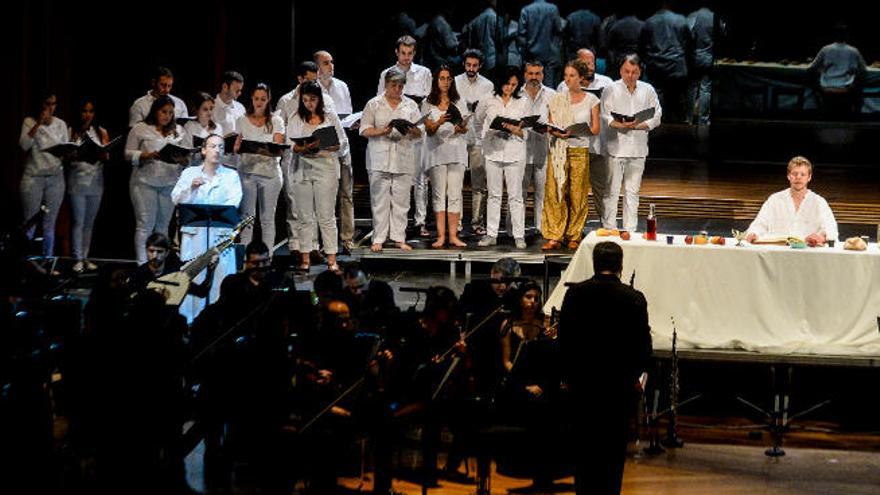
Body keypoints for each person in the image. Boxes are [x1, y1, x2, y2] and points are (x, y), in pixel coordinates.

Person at [558, 241, 652, 495]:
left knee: (584, 451)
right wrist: (637, 377)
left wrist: (566, 377)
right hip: (618, 388)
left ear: (594, 263)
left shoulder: (576, 294)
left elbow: (564, 340)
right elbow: (643, 345)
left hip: (583, 385)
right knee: (612, 454)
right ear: (621, 265)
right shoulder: (634, 298)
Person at [171, 133, 243, 323]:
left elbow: (233, 202)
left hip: (220, 236)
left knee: (221, 278)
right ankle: (189, 321)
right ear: (203, 150)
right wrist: (191, 190)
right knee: (193, 278)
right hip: (195, 236)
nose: (217, 150)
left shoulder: (231, 176)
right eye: (212, 146)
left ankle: (222, 322)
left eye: (220, 147)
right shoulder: (189, 173)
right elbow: (176, 199)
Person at [360, 67, 423, 253]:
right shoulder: (374, 104)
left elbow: (420, 132)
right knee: (380, 200)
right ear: (386, 84)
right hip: (379, 157)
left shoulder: (410, 105)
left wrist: (412, 130)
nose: (397, 89)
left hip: (403, 157)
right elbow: (364, 129)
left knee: (401, 201)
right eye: (393, 85)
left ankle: (398, 238)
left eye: (400, 85)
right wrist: (383, 131)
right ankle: (378, 237)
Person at [288, 81, 348, 272]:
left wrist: (321, 144)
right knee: (305, 216)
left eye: (313, 99)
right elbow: (293, 145)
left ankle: (331, 259)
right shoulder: (296, 117)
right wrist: (305, 147)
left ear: (320, 99)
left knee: (326, 216)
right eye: (305, 100)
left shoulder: (329, 117)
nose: (309, 104)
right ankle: (305, 258)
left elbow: (340, 143)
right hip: (303, 167)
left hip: (326, 167)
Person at [376, 35, 432, 237]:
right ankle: (395, 223)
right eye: (403, 53)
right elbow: (378, 102)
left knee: (419, 179)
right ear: (396, 52)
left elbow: (429, 103)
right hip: (392, 134)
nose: (406, 57)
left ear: (414, 53)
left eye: (410, 54)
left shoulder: (424, 73)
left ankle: (420, 221)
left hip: (414, 131)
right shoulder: (387, 73)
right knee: (394, 178)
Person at [542, 59, 601, 251]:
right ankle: (555, 235)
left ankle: (574, 234)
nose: (568, 79)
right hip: (559, 149)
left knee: (577, 194)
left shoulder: (592, 100)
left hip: (579, 150)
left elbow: (595, 129)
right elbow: (551, 123)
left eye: (572, 75)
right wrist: (556, 131)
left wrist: (574, 131)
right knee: (556, 191)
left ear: (581, 78)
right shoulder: (558, 98)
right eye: (566, 75)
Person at [600, 54, 662, 232]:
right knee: (611, 192)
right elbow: (604, 115)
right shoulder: (610, 89)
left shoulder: (647, 89)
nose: (630, 75)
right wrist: (620, 124)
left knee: (632, 192)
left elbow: (657, 116)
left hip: (638, 148)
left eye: (634, 72)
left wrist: (638, 125)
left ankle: (630, 230)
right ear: (621, 70)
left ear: (639, 72)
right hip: (615, 149)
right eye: (627, 71)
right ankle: (609, 228)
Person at [125, 96, 189, 264]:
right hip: (144, 182)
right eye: (163, 112)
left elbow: (186, 157)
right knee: (145, 224)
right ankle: (142, 265)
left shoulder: (179, 131)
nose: (167, 116)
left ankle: (159, 265)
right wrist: (147, 155)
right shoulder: (140, 128)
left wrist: (183, 159)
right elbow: (127, 153)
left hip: (169, 182)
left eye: (170, 113)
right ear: (155, 111)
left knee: (163, 226)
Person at [555, 49, 614, 224]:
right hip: (572, 146)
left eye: (592, 62)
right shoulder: (563, 85)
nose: (590, 66)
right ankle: (569, 228)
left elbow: (611, 113)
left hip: (598, 147)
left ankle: (608, 225)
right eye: (585, 63)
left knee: (601, 189)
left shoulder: (607, 83)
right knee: (571, 190)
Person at [477, 66, 529, 249]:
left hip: (515, 152)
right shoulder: (488, 99)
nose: (510, 88)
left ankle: (519, 235)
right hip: (493, 151)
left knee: (515, 196)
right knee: (494, 195)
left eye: (514, 85)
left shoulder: (523, 101)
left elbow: (527, 130)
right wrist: (485, 137)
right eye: (507, 84)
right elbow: (478, 121)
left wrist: (516, 129)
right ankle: (491, 234)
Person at [235, 83, 285, 253]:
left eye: (263, 99)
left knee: (267, 219)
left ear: (268, 100)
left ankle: (267, 257)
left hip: (269, 174)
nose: (259, 102)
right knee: (247, 219)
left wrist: (265, 150)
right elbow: (236, 146)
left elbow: (278, 148)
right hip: (247, 173)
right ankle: (245, 259)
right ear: (252, 98)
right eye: (256, 98)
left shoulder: (276, 120)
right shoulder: (242, 120)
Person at [314, 50, 356, 251]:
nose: (331, 66)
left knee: (347, 193)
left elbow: (346, 116)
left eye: (332, 62)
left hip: (343, 144)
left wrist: (352, 123)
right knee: (326, 196)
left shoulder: (341, 86)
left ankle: (348, 237)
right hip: (324, 147)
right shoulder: (313, 89)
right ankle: (325, 241)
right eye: (326, 63)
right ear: (317, 67)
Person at [422, 66, 469, 248]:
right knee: (439, 194)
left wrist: (461, 127)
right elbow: (429, 129)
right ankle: (441, 236)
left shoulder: (459, 101)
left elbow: (465, 127)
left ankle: (453, 236)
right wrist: (440, 121)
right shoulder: (428, 103)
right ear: (436, 80)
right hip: (437, 152)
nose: (445, 82)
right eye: (442, 78)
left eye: (448, 79)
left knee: (455, 194)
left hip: (456, 151)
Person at [745, 156, 838, 247]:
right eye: (794, 174)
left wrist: (820, 237)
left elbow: (831, 229)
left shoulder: (819, 202)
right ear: (788, 176)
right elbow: (759, 224)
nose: (798, 177)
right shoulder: (774, 200)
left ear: (809, 177)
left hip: (808, 254)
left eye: (803, 174)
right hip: (777, 253)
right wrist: (753, 233)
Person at [19, 92, 67, 258]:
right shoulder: (29, 121)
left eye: (53, 103)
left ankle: (48, 262)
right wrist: (39, 123)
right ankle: (23, 262)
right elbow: (24, 145)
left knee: (50, 223)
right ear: (41, 104)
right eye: (48, 103)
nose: (51, 107)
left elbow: (65, 148)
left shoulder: (60, 124)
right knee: (30, 221)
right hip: (34, 178)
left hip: (55, 177)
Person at [455, 49, 495, 238]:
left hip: (479, 138)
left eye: (475, 65)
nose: (471, 68)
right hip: (458, 138)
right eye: (468, 65)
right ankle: (457, 222)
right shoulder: (454, 82)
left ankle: (477, 222)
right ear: (464, 64)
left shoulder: (488, 85)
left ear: (480, 66)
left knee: (479, 184)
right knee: (456, 183)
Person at [68, 98, 110, 272]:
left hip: (96, 181)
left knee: (89, 223)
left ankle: (85, 257)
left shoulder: (100, 131)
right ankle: (77, 257)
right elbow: (66, 155)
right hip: (77, 180)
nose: (87, 115)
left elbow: (107, 155)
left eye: (90, 111)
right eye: (84, 111)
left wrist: (102, 151)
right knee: (78, 221)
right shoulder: (71, 130)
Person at [516, 60, 555, 235]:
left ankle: (541, 228)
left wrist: (548, 126)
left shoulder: (552, 95)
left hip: (542, 150)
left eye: (538, 74)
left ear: (543, 75)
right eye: (531, 74)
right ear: (525, 75)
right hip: (520, 150)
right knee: (519, 193)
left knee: (543, 193)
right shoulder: (516, 94)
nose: (534, 77)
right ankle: (517, 229)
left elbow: (558, 121)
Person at [640, 3, 691, 123]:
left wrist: (647, 60)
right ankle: (680, 125)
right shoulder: (681, 20)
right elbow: (689, 43)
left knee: (658, 95)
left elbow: (642, 45)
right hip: (677, 64)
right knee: (678, 95)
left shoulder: (649, 22)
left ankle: (660, 123)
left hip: (656, 64)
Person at [808, 23, 868, 118]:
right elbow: (864, 70)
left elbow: (811, 68)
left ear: (834, 35)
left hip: (826, 85)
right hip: (846, 86)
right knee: (859, 87)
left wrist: (821, 71)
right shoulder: (853, 51)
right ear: (847, 35)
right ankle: (856, 115)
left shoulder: (825, 49)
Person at [517, 0, 564, 88]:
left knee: (531, 84)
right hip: (550, 54)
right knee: (549, 86)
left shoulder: (526, 10)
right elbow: (559, 30)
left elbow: (521, 34)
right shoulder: (553, 9)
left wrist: (524, 53)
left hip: (531, 54)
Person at [687, 6, 717, 125]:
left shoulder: (692, 16)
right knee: (706, 90)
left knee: (691, 88)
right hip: (708, 57)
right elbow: (722, 34)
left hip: (694, 57)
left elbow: (687, 35)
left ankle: (689, 118)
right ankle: (703, 120)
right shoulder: (714, 17)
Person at [460, 0, 501, 73]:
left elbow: (465, 33)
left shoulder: (476, 19)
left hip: (480, 58)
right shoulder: (495, 17)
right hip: (493, 60)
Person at [604, 9, 644, 74]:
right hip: (637, 61)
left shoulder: (616, 26)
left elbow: (608, 47)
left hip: (620, 62)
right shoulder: (643, 26)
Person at [213, 70, 246, 135]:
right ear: (225, 87)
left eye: (240, 90)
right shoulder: (211, 108)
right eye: (237, 90)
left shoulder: (240, 107)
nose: (239, 93)